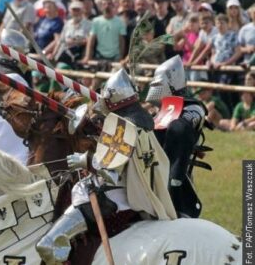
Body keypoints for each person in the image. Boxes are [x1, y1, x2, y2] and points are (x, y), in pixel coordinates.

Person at [36, 68, 176, 264]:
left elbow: (111, 173)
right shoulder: (138, 125)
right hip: (130, 194)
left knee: (47, 245)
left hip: (112, 198)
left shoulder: (123, 126)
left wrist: (84, 160)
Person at [145, 55, 208, 217]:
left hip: (176, 178)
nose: (154, 87)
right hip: (148, 174)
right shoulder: (158, 113)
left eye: (158, 83)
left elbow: (181, 129)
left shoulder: (193, 108)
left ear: (172, 83)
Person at [81, 0, 127, 64]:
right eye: (104, 4)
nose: (107, 6)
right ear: (101, 7)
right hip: (100, 55)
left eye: (109, 4)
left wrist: (121, 57)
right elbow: (91, 40)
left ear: (113, 6)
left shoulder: (120, 22)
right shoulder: (96, 21)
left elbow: (122, 41)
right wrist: (87, 56)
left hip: (115, 56)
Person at [45, 0, 91, 68]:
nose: (76, 12)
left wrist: (76, 42)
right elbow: (60, 41)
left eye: (78, 10)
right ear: (70, 11)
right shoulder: (67, 23)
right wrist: (53, 54)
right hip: (63, 54)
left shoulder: (89, 24)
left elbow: (89, 41)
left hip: (78, 55)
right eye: (74, 10)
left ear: (82, 11)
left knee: (61, 68)